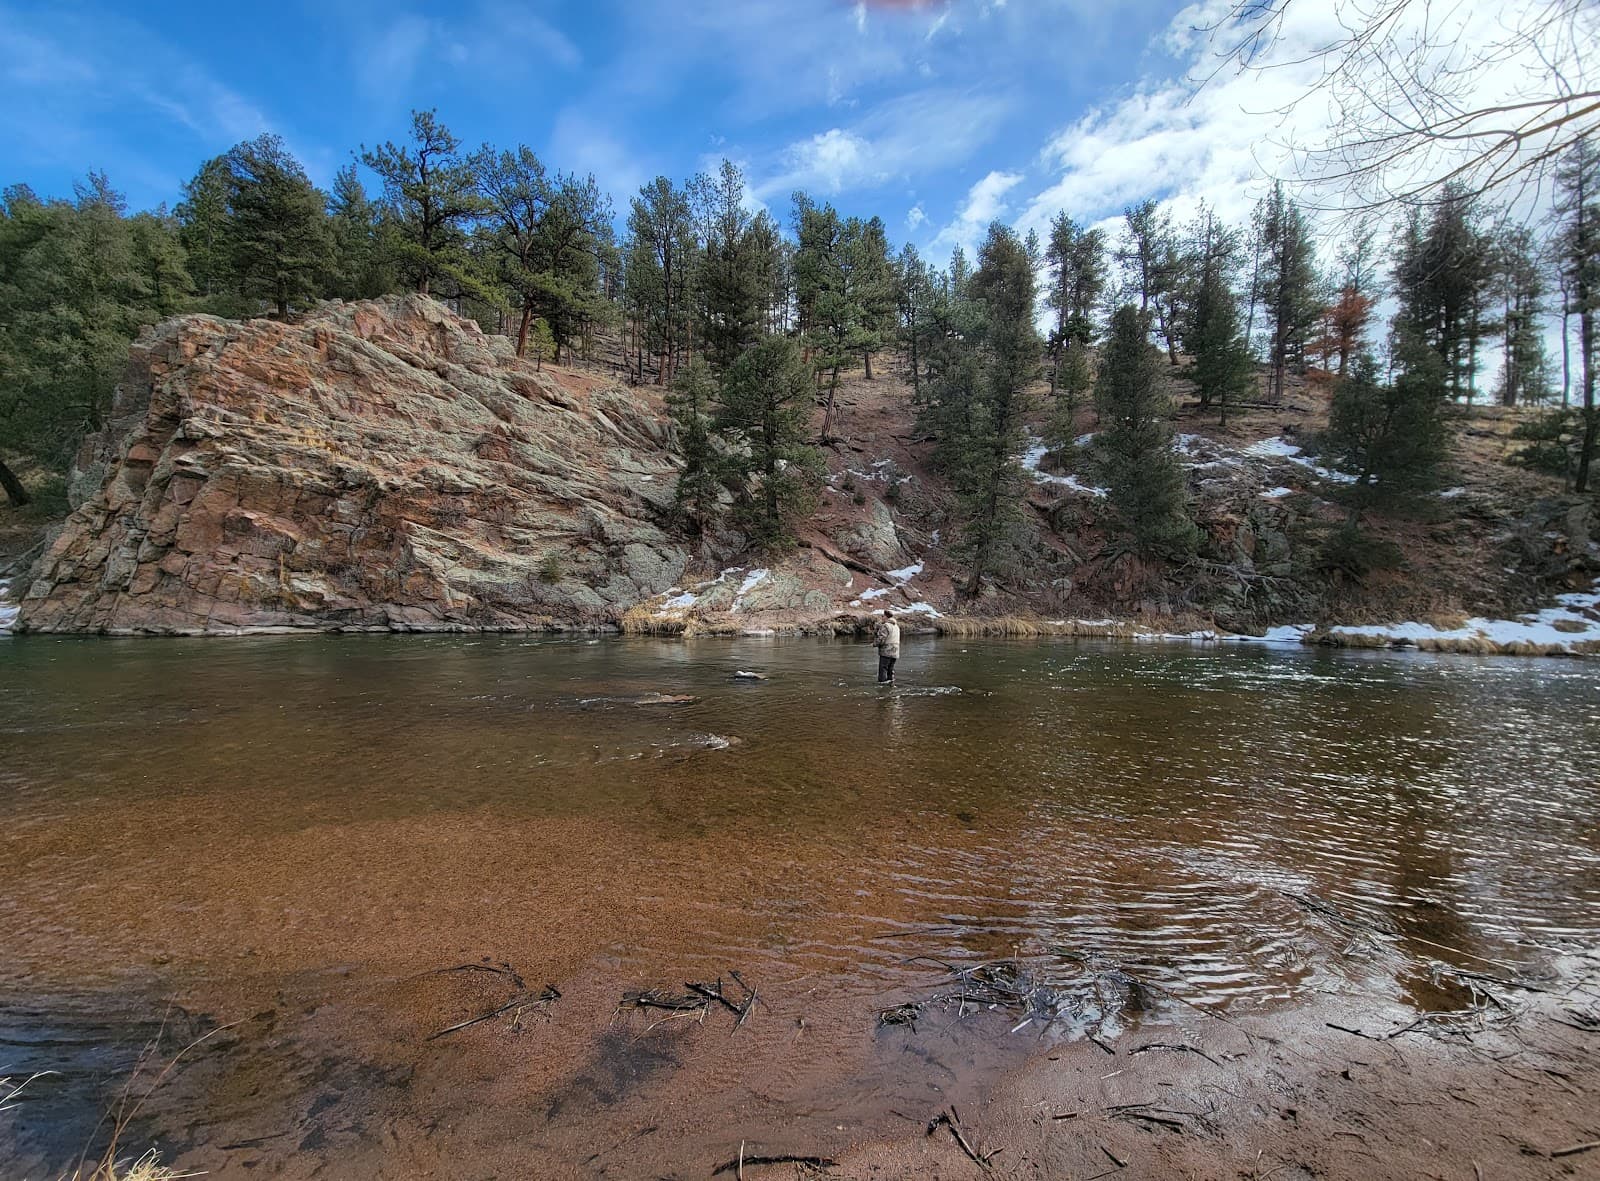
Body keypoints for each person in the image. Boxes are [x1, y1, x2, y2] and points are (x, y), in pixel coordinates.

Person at [873, 609, 900, 683]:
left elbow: (881, 639)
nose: (882, 617)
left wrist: (874, 644)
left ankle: (882, 687)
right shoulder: (896, 626)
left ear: (886, 616)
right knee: (890, 670)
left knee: (883, 669)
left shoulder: (885, 626)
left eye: (883, 616)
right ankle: (890, 685)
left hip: (886, 651)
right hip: (895, 652)